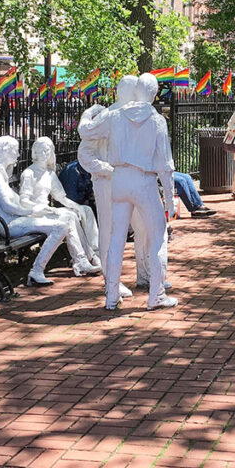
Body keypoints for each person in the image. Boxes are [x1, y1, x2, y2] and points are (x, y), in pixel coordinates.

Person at [77, 74, 177, 310]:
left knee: (116, 239)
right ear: (153, 94)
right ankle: (157, 294)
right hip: (144, 181)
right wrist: (170, 200)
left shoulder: (114, 116)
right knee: (158, 237)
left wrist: (86, 114)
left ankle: (111, 295)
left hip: (119, 179)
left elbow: (86, 131)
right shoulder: (156, 120)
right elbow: (165, 165)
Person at [0, 136, 96, 286]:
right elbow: (9, 207)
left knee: (65, 220)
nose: (17, 155)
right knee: (60, 227)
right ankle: (37, 270)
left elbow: (15, 203)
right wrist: (36, 209)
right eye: (15, 151)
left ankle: (81, 260)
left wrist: (38, 210)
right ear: (5, 151)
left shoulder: (1, 175)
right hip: (9, 224)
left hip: (17, 219)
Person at [20, 137, 103, 270]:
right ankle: (83, 259)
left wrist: (78, 207)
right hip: (35, 214)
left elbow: (61, 197)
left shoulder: (49, 174)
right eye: (40, 150)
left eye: (47, 151)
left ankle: (97, 253)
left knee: (85, 210)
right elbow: (23, 201)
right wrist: (43, 209)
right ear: (34, 152)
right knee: (70, 217)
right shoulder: (29, 173)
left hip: (47, 211)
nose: (44, 154)